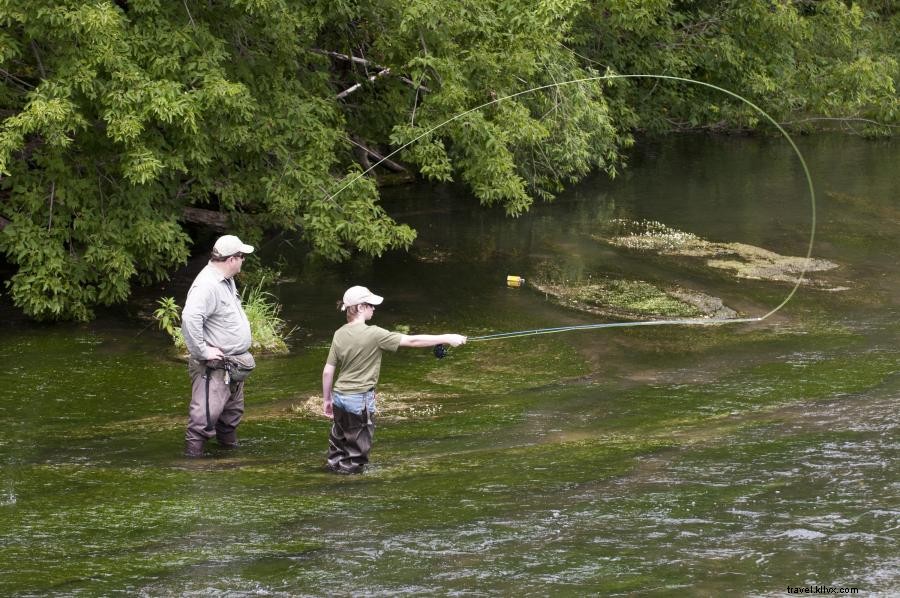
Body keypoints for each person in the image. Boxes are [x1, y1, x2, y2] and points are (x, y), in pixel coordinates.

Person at [322, 285, 466, 474]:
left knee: (337, 448)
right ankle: (348, 487)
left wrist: (327, 399)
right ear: (360, 307)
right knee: (356, 454)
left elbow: (328, 371)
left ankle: (331, 478)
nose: (374, 308)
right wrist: (447, 337)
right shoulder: (374, 334)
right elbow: (412, 341)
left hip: (340, 398)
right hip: (359, 400)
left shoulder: (339, 333)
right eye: (370, 305)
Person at [181, 234, 255, 457]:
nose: (243, 260)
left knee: (230, 419)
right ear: (231, 259)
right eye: (242, 256)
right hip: (214, 367)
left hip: (232, 366)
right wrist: (202, 351)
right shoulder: (207, 284)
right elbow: (190, 318)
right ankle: (192, 465)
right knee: (202, 420)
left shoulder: (226, 280)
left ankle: (228, 462)